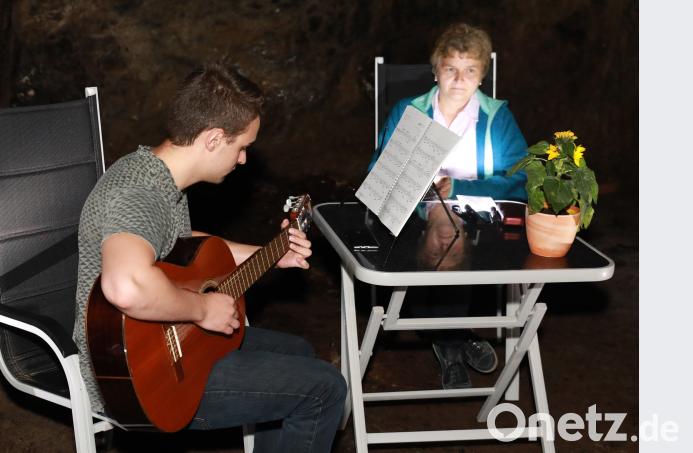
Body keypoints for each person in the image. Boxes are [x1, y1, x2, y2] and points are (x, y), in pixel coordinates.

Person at [73, 63, 346, 452]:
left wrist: (271, 255)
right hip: (134, 376)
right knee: (325, 388)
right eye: (242, 147)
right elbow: (125, 286)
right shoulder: (140, 195)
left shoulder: (156, 172)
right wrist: (201, 309)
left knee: (298, 353)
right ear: (214, 138)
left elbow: (185, 247)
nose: (243, 160)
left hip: (163, 342)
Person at [368, 23, 528, 389]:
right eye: (451, 68)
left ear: (482, 75)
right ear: (436, 69)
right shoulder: (410, 111)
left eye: (470, 70)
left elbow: (521, 178)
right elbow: (379, 172)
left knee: (450, 230)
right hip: (416, 211)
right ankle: (455, 338)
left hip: (482, 214)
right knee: (446, 232)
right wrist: (419, 186)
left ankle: (444, 336)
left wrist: (461, 187)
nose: (459, 79)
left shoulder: (496, 117)